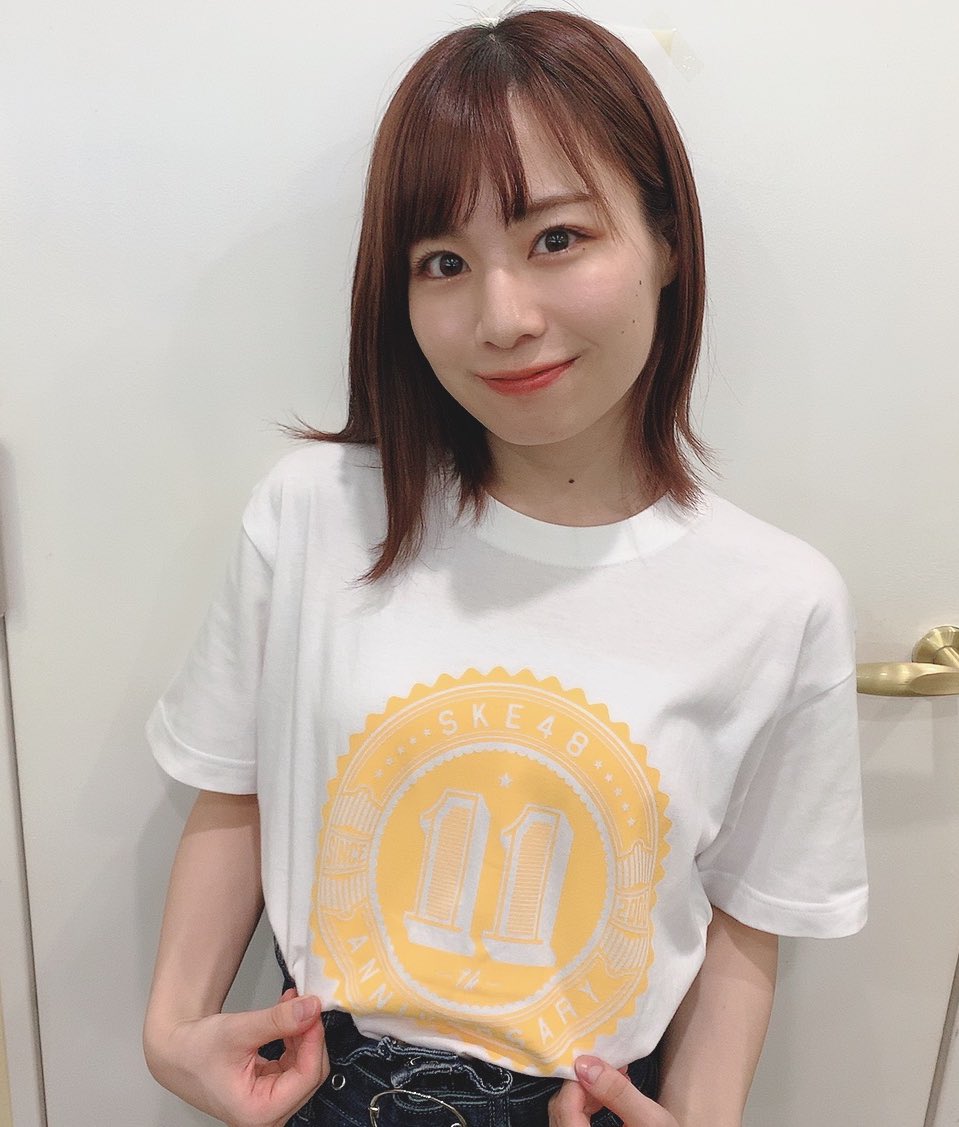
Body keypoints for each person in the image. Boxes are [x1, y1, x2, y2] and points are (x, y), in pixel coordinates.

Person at [142, 9, 868, 1127]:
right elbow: (232, 776)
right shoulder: (315, 513)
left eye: (556, 239)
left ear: (666, 242)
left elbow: (745, 914)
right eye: (443, 262)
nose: (502, 317)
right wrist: (171, 1028)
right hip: (320, 1090)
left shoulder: (778, 599)